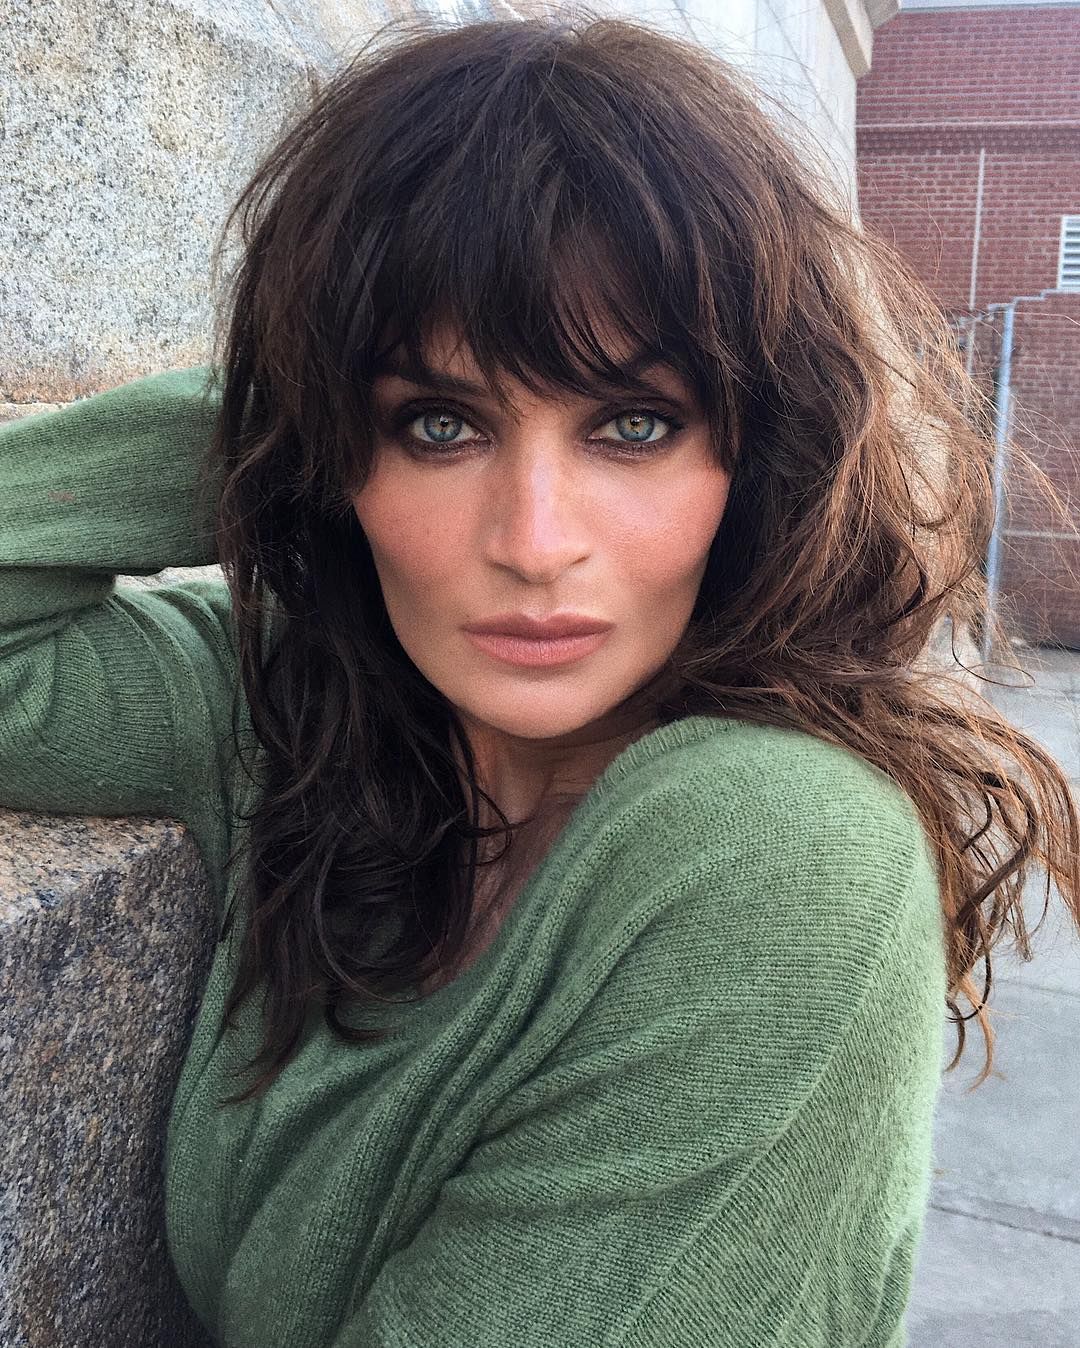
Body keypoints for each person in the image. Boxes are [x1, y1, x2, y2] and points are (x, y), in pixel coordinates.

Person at [2, 14, 1078, 1347]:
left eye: (633, 423)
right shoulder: (301, 713)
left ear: (757, 458)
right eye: (437, 423)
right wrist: (282, 410)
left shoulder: (782, 852)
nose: (533, 541)